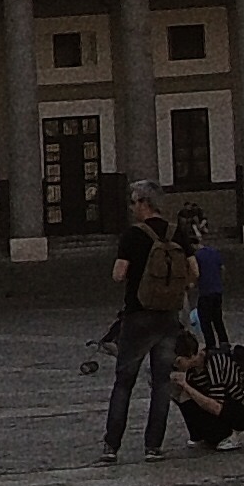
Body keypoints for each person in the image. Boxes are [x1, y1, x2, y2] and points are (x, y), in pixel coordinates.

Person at [102, 183, 181, 458]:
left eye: (134, 203)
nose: (132, 208)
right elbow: (193, 271)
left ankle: (112, 446)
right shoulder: (175, 231)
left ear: (144, 203)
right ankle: (153, 446)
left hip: (138, 314)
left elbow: (118, 274)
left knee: (124, 382)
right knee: (161, 383)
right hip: (169, 315)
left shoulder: (133, 235)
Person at [184, 210, 229, 351]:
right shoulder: (213, 252)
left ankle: (211, 345)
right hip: (217, 291)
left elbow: (195, 274)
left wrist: (190, 284)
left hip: (206, 292)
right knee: (218, 319)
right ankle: (224, 342)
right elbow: (222, 269)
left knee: (204, 320)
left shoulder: (195, 257)